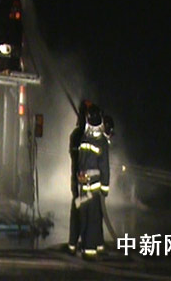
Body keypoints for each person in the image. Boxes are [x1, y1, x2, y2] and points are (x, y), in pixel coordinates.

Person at [68, 102, 110, 259]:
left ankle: (83, 246)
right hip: (94, 189)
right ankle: (91, 249)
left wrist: (78, 181)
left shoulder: (83, 138)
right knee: (93, 219)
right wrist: (105, 188)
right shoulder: (101, 141)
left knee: (83, 217)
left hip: (82, 187)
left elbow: (79, 162)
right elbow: (104, 167)